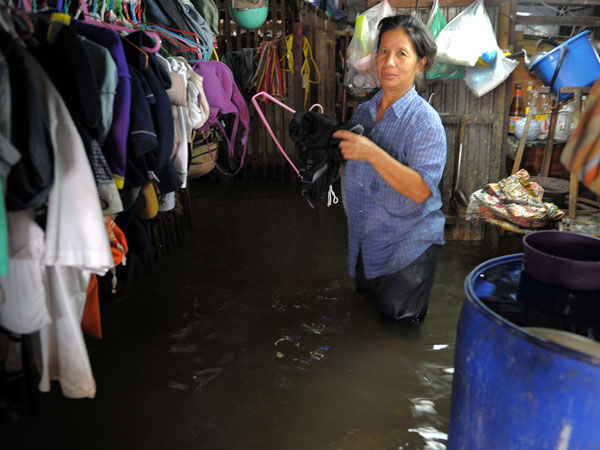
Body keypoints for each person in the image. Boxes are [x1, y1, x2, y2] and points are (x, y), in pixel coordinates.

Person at [333, 14, 447, 323]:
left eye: (402, 54)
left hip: (406, 250)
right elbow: (352, 167)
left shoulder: (425, 122)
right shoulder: (365, 111)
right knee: (363, 316)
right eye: (383, 51)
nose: (389, 63)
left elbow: (421, 189)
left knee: (398, 334)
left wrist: (373, 153)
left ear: (420, 63)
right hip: (365, 240)